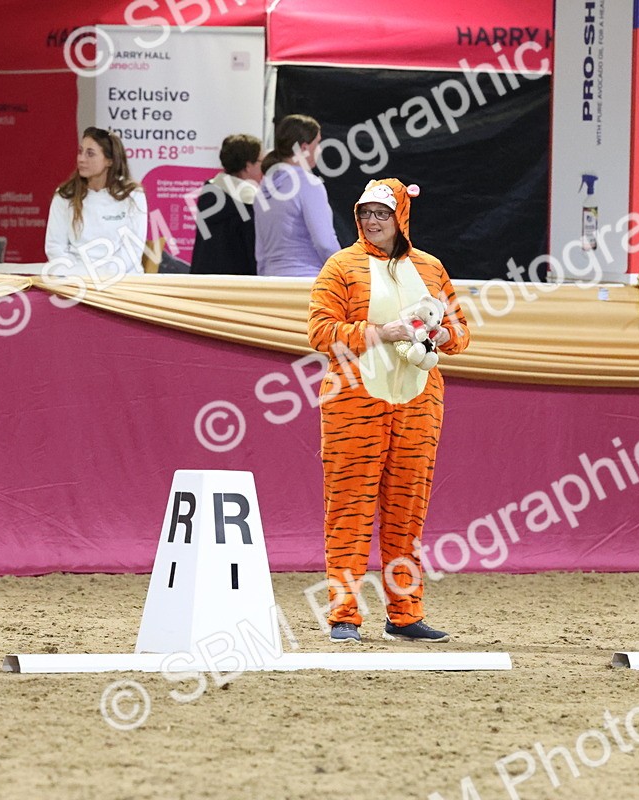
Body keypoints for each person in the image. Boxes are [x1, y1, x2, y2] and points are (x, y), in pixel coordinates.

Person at [308, 178, 471, 644]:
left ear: (400, 215)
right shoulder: (342, 266)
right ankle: (343, 614)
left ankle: (405, 613)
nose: (372, 222)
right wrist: (385, 331)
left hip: (419, 402)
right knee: (349, 509)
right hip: (354, 402)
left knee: (407, 513)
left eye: (381, 213)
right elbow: (320, 332)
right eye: (364, 213)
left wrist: (440, 336)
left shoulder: (431, 268)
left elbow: (461, 333)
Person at [44, 126, 147, 280]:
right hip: (74, 281)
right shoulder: (65, 195)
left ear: (109, 161)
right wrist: (78, 277)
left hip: (121, 281)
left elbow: (132, 251)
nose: (81, 159)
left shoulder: (133, 195)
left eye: (90, 154)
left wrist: (104, 277)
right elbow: (55, 247)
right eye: (80, 152)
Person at [254, 115, 340, 277]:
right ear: (304, 148)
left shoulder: (262, 190)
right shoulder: (308, 184)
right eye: (318, 143)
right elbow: (325, 243)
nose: (320, 149)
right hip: (306, 281)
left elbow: (261, 252)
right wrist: (345, 273)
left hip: (271, 280)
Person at [189, 134, 264, 275]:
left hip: (202, 282)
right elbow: (253, 254)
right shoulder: (248, 202)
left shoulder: (209, 194)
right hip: (235, 287)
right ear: (248, 166)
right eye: (261, 162)